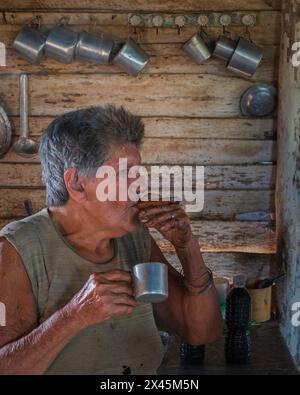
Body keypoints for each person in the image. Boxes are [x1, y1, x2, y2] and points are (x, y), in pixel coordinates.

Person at [0, 105, 221, 375]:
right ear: (77, 184)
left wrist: (188, 248)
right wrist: (74, 315)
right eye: (125, 173)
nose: (139, 185)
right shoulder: (17, 249)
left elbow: (201, 332)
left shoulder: (134, 237)